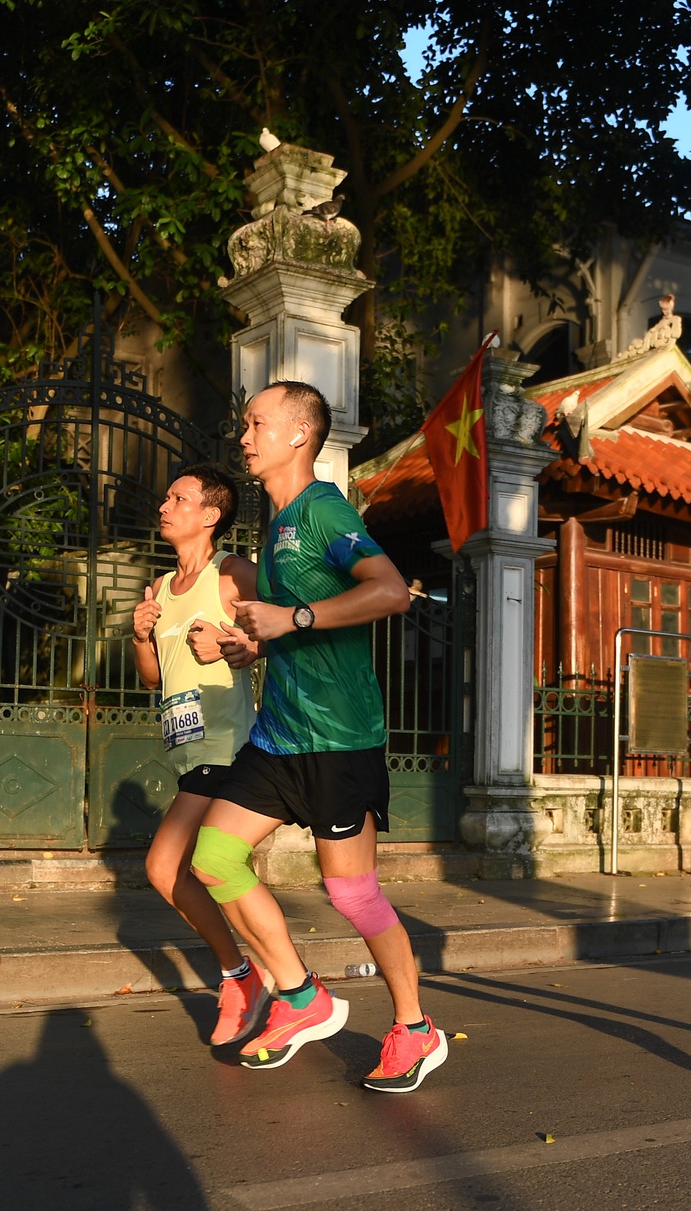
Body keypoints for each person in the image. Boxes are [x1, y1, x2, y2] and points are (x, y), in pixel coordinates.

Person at [190, 380, 447, 1094]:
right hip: (280, 735)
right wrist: (248, 645)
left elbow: (391, 592)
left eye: (257, 423)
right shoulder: (275, 526)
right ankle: (302, 995)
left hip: (339, 737)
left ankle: (415, 1028)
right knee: (214, 857)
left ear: (300, 433)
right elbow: (289, 632)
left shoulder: (324, 509)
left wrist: (291, 619)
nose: (244, 436)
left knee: (353, 894)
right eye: (244, 424)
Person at [129, 463, 266, 1047]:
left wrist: (240, 644)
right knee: (213, 870)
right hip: (185, 750)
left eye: (178, 498)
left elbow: (282, 632)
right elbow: (152, 678)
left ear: (210, 515)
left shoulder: (231, 573)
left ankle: (245, 977)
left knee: (165, 867)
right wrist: (140, 636)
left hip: (228, 746)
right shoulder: (160, 589)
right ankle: (276, 978)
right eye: (165, 498)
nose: (164, 506)